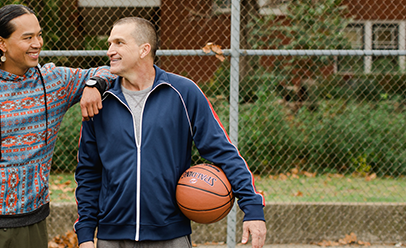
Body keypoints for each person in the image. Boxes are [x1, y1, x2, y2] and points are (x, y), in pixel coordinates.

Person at [0, 4, 114, 248]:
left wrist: (93, 84)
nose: (37, 43)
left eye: (39, 35)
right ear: (2, 43)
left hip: (33, 222)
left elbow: (111, 71)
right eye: (27, 37)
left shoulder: (54, 82)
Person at [74, 17, 267, 248]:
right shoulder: (98, 101)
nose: (110, 51)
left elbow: (222, 151)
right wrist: (85, 235)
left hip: (170, 233)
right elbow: (88, 172)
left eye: (119, 43)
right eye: (110, 43)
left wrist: (252, 208)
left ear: (144, 49)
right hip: (112, 234)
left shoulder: (183, 93)